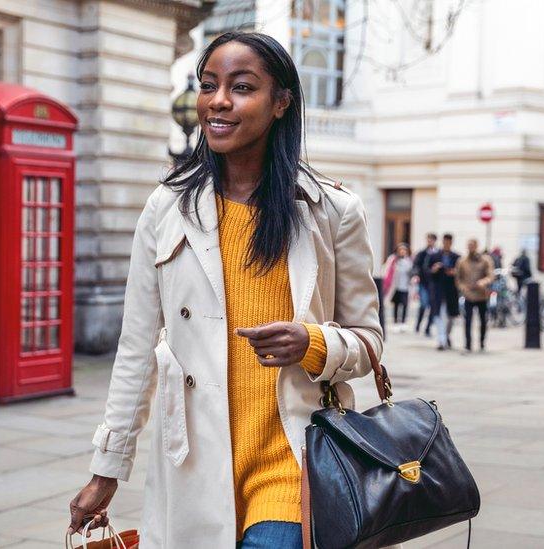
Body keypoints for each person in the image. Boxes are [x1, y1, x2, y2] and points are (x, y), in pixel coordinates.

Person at [67, 32, 389, 549]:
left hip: (294, 458)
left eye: (241, 87)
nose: (218, 101)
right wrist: (107, 469)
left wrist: (315, 344)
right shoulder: (166, 208)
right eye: (209, 85)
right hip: (193, 461)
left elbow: (369, 339)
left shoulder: (332, 211)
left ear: (281, 102)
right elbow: (136, 351)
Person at [456, 238, 495, 352]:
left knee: (483, 320)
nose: (470, 247)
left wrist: (483, 282)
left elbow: (490, 275)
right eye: (469, 245)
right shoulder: (462, 261)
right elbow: (458, 279)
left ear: (477, 246)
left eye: (472, 245)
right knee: (467, 320)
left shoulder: (485, 260)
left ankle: (482, 342)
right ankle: (468, 344)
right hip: (469, 295)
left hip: (481, 295)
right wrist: (463, 287)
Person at [429, 234, 461, 350]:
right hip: (438, 290)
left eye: (449, 242)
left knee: (451, 317)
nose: (446, 244)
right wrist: (434, 269)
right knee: (440, 315)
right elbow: (427, 271)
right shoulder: (435, 256)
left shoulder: (457, 257)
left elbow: (461, 273)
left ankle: (446, 335)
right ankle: (441, 340)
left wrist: (455, 272)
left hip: (451, 290)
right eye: (445, 242)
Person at [412, 233, 438, 336]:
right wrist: (416, 275)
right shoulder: (422, 253)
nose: (429, 241)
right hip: (423, 283)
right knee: (423, 304)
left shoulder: (437, 253)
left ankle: (428, 327)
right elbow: (416, 266)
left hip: (433, 283)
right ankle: (418, 324)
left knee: (432, 306)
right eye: (428, 239)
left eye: (431, 240)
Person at [383, 243, 414, 331]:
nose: (402, 251)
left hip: (406, 286)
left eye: (404, 250)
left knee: (404, 304)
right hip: (395, 286)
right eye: (400, 249)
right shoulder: (393, 259)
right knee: (396, 304)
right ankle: (396, 322)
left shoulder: (409, 261)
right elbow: (387, 270)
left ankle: (403, 322)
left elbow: (412, 272)